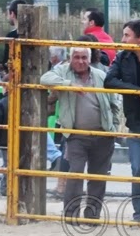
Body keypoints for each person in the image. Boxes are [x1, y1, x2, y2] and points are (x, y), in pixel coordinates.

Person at [41, 47, 120, 219]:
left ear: (89, 59)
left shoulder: (100, 75)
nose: (80, 61)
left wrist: (114, 127)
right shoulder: (63, 71)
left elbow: (114, 103)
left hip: (102, 134)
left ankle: (92, 216)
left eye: (84, 57)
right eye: (76, 57)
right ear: (71, 58)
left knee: (98, 177)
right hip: (76, 134)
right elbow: (45, 78)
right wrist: (69, 85)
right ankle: (71, 214)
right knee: (75, 173)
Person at [104, 18, 140, 221]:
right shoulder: (123, 57)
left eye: (127, 35)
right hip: (136, 121)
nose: (122, 39)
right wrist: (138, 91)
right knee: (139, 167)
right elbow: (109, 81)